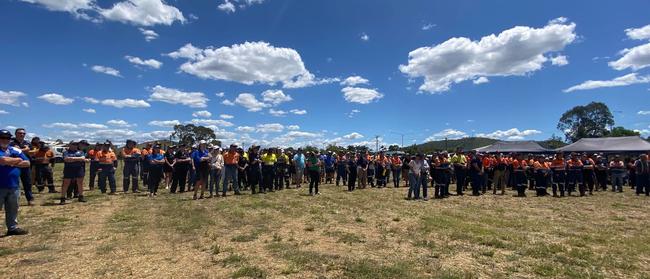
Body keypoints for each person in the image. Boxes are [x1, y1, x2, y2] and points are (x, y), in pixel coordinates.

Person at [0, 129, 30, 236]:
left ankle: (12, 228)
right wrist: (16, 160)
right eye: (2, 137)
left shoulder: (14, 150)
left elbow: (27, 163)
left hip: (13, 185)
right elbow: (2, 161)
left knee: (13, 208)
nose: (5, 140)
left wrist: (10, 162)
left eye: (7, 138)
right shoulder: (15, 152)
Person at [9, 128, 34, 206]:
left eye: (23, 133)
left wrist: (20, 149)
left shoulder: (27, 142)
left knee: (27, 183)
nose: (22, 135)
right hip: (15, 165)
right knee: (14, 183)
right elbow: (10, 151)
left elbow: (32, 152)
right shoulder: (11, 143)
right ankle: (12, 200)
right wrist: (25, 149)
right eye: (20, 133)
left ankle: (30, 199)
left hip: (26, 165)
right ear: (16, 134)